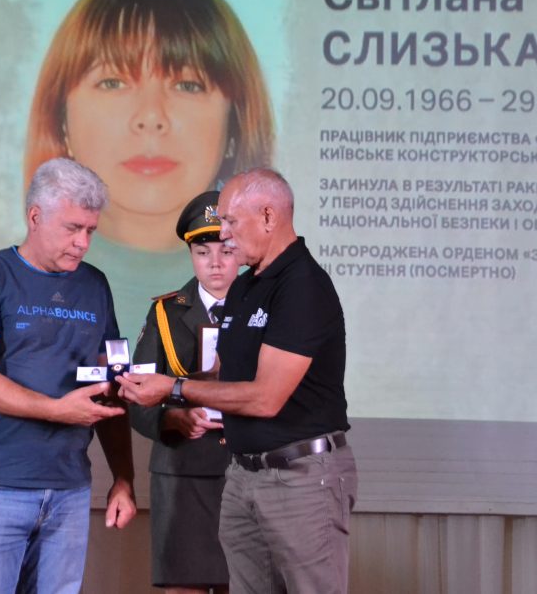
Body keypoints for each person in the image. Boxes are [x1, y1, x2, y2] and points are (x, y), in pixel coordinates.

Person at [117, 168, 357, 594]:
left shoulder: (303, 286)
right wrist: (149, 385)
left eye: (230, 221)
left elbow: (266, 398)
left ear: (268, 216)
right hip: (244, 476)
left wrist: (172, 388)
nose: (224, 235)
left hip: (299, 475)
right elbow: (222, 373)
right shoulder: (248, 286)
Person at [22, 0, 276, 343]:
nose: (151, 117)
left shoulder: (275, 297)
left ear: (235, 124)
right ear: (61, 118)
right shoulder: (6, 286)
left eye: (187, 85)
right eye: (113, 82)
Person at [0, 158, 137, 594]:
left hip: (70, 491)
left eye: (90, 230)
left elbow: (110, 388)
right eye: (73, 228)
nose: (83, 243)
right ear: (35, 216)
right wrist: (56, 410)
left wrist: (123, 478)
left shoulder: (95, 285)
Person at [130, 191, 239, 594]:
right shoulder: (165, 313)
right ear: (191, 254)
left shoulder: (264, 311)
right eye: (202, 251)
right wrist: (173, 418)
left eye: (226, 250)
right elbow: (137, 397)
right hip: (182, 473)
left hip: (247, 471)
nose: (215, 263)